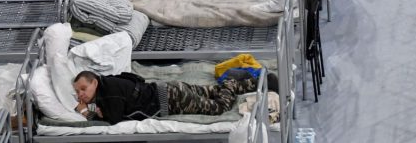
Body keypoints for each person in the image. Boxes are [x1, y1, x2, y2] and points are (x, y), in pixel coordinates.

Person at [72, 69, 272, 124]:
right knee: (210, 91)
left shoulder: (107, 95)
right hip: (168, 88)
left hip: (170, 100)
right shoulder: (110, 80)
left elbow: (113, 121)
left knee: (218, 107)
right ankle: (257, 81)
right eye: (78, 92)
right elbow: (135, 77)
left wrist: (87, 113)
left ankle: (230, 82)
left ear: (95, 83)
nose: (81, 94)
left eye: (83, 89)